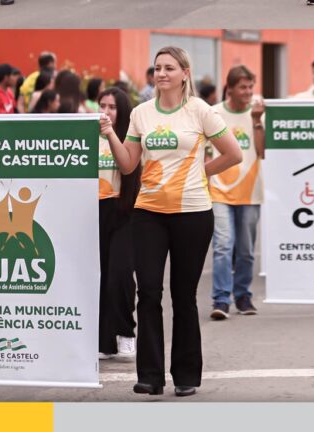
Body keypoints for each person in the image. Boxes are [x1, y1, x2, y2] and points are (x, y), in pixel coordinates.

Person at [100, 46, 242, 396]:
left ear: (184, 73)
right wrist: (110, 135)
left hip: (192, 214)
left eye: (168, 68)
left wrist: (200, 173)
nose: (161, 73)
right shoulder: (141, 113)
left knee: (184, 296)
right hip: (148, 213)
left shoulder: (199, 110)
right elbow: (129, 164)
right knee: (148, 292)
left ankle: (186, 376)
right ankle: (149, 376)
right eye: (157, 68)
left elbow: (233, 153)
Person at [208, 65, 265, 319]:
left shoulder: (258, 112)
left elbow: (263, 152)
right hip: (218, 191)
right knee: (222, 245)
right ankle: (221, 299)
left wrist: (256, 121)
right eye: (243, 87)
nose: (248, 92)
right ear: (229, 88)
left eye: (251, 86)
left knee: (245, 248)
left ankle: (242, 295)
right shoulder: (213, 114)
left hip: (250, 192)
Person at [97, 86, 140, 359]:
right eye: (102, 105)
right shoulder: (88, 137)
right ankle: (104, 341)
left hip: (125, 211)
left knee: (120, 275)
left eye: (112, 107)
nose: (106, 112)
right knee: (99, 277)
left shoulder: (132, 136)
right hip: (94, 210)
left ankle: (126, 332)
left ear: (121, 110)